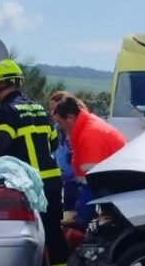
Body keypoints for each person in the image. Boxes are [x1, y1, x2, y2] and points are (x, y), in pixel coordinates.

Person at [0, 59, 68, 266]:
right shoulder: (38, 108)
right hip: (53, 182)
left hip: (29, 186)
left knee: (33, 237)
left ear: (3, 83)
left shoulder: (8, 110)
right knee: (53, 234)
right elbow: (53, 143)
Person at [53, 96, 126, 234]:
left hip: (112, 191)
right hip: (113, 189)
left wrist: (81, 216)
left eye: (60, 123)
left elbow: (92, 182)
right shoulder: (87, 128)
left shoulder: (89, 135)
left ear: (69, 118)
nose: (60, 128)